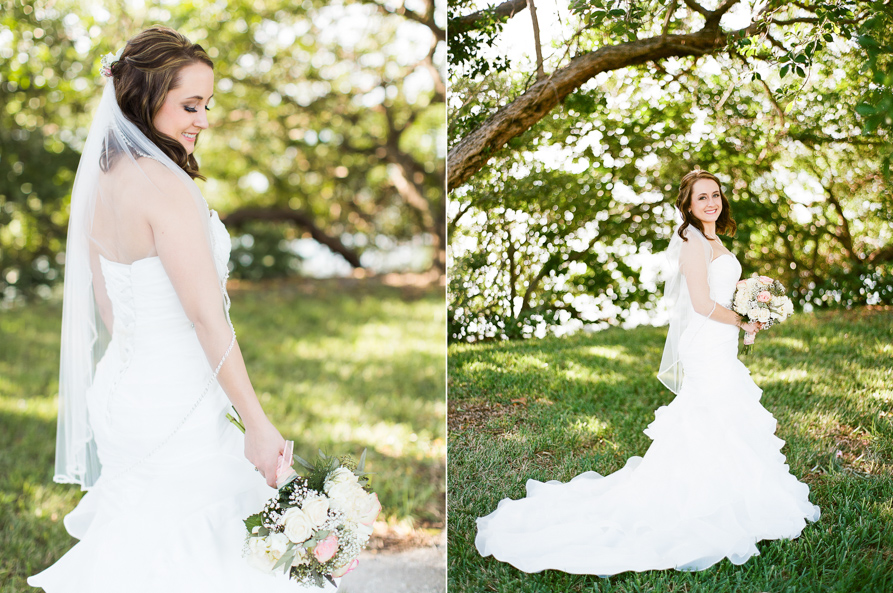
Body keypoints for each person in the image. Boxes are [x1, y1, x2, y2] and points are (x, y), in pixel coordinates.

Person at [28, 26, 335, 592]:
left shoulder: (100, 178)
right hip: (174, 402)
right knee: (200, 551)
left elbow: (107, 299)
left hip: (122, 393)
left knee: (146, 546)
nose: (203, 119)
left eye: (207, 105)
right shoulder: (166, 188)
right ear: (146, 99)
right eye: (189, 105)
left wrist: (148, 363)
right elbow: (206, 317)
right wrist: (258, 424)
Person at [474, 169, 820, 575]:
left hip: (719, 343)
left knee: (722, 416)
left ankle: (729, 496)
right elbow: (702, 303)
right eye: (701, 198)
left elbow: (722, 292)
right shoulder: (692, 240)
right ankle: (698, 503)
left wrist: (752, 304)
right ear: (688, 206)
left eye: (715, 195)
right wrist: (743, 322)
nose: (710, 203)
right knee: (712, 414)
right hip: (706, 343)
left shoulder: (713, 238)